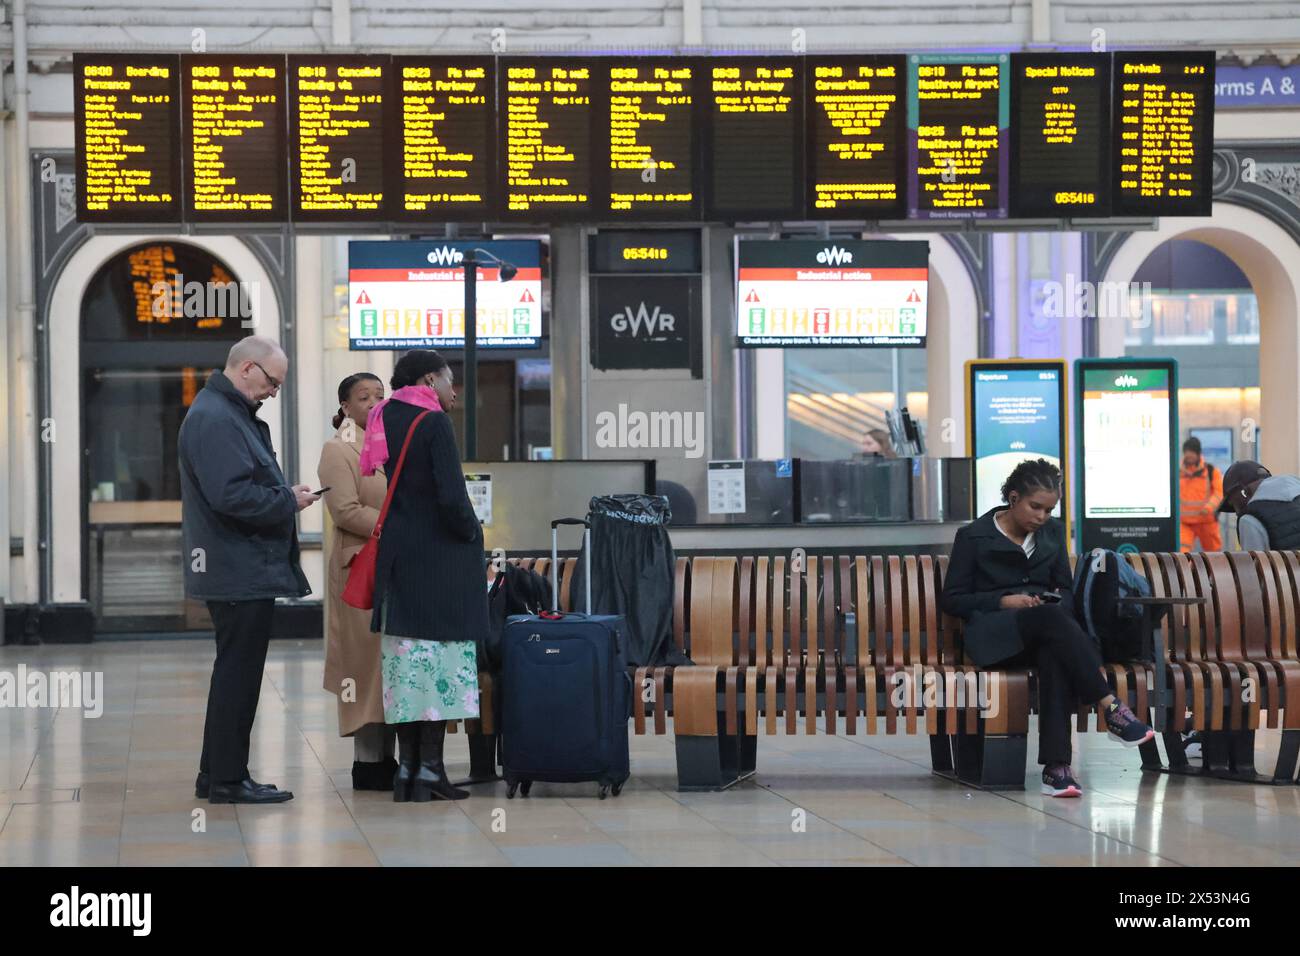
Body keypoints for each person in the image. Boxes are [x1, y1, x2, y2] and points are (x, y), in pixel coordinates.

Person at [940, 458, 1155, 798]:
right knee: (1053, 626)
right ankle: (1111, 707)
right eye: (1035, 507)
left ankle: (1058, 769)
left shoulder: (1051, 534)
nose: (1041, 517)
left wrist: (1049, 602)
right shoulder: (973, 536)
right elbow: (953, 599)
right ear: (1013, 498)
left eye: (1048, 510)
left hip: (1045, 632)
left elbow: (1065, 591)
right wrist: (1004, 601)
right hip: (994, 639)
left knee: (1055, 648)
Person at [180, 336, 317, 805]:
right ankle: (228, 779)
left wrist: (283, 492)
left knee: (234, 673)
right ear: (247, 369)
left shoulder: (227, 415)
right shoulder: (217, 419)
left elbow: (242, 485)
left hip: (239, 566)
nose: (274, 392)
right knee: (238, 676)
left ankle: (214, 773)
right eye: (272, 382)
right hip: (236, 567)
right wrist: (287, 500)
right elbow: (231, 495)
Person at [361, 350, 487, 802]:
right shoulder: (432, 422)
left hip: (398, 561)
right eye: (451, 381)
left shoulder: (383, 415)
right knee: (439, 666)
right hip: (438, 565)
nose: (455, 391)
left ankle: (409, 772)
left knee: (407, 666)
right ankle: (431, 772)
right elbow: (452, 497)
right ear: (431, 380)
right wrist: (474, 531)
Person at [317, 372, 397, 790]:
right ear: (345, 406)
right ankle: (367, 763)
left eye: (380, 396)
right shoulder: (338, 450)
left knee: (388, 664)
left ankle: (388, 758)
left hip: (395, 568)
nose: (373, 403)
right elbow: (346, 511)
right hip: (358, 571)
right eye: (363, 397)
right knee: (362, 666)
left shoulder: (388, 447)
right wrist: (395, 526)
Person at [1219, 460, 1300, 550]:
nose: (1237, 513)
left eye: (1233, 504)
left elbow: (1254, 563)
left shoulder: (1249, 519)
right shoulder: (1296, 484)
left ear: (1243, 493)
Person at [1179, 437, 1224, 552]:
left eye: (1192, 453)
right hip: (1185, 523)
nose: (1189, 456)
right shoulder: (1177, 472)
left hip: (1207, 521)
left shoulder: (1211, 471)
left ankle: (1213, 571)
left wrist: (1209, 507)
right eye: (1187, 453)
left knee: (1214, 556)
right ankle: (1185, 570)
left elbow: (1219, 492)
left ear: (1198, 454)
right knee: (1181, 556)